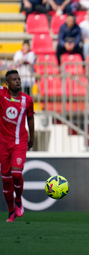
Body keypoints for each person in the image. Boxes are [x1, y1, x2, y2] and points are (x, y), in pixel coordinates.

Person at [0, 70, 35, 222]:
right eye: (13, 79)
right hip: (2, 143)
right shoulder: (2, 94)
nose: (17, 81)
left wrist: (32, 138)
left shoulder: (27, 100)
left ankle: (19, 199)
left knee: (16, 173)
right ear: (7, 83)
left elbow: (31, 119)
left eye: (18, 79)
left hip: (19, 142)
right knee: (6, 180)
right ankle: (11, 211)